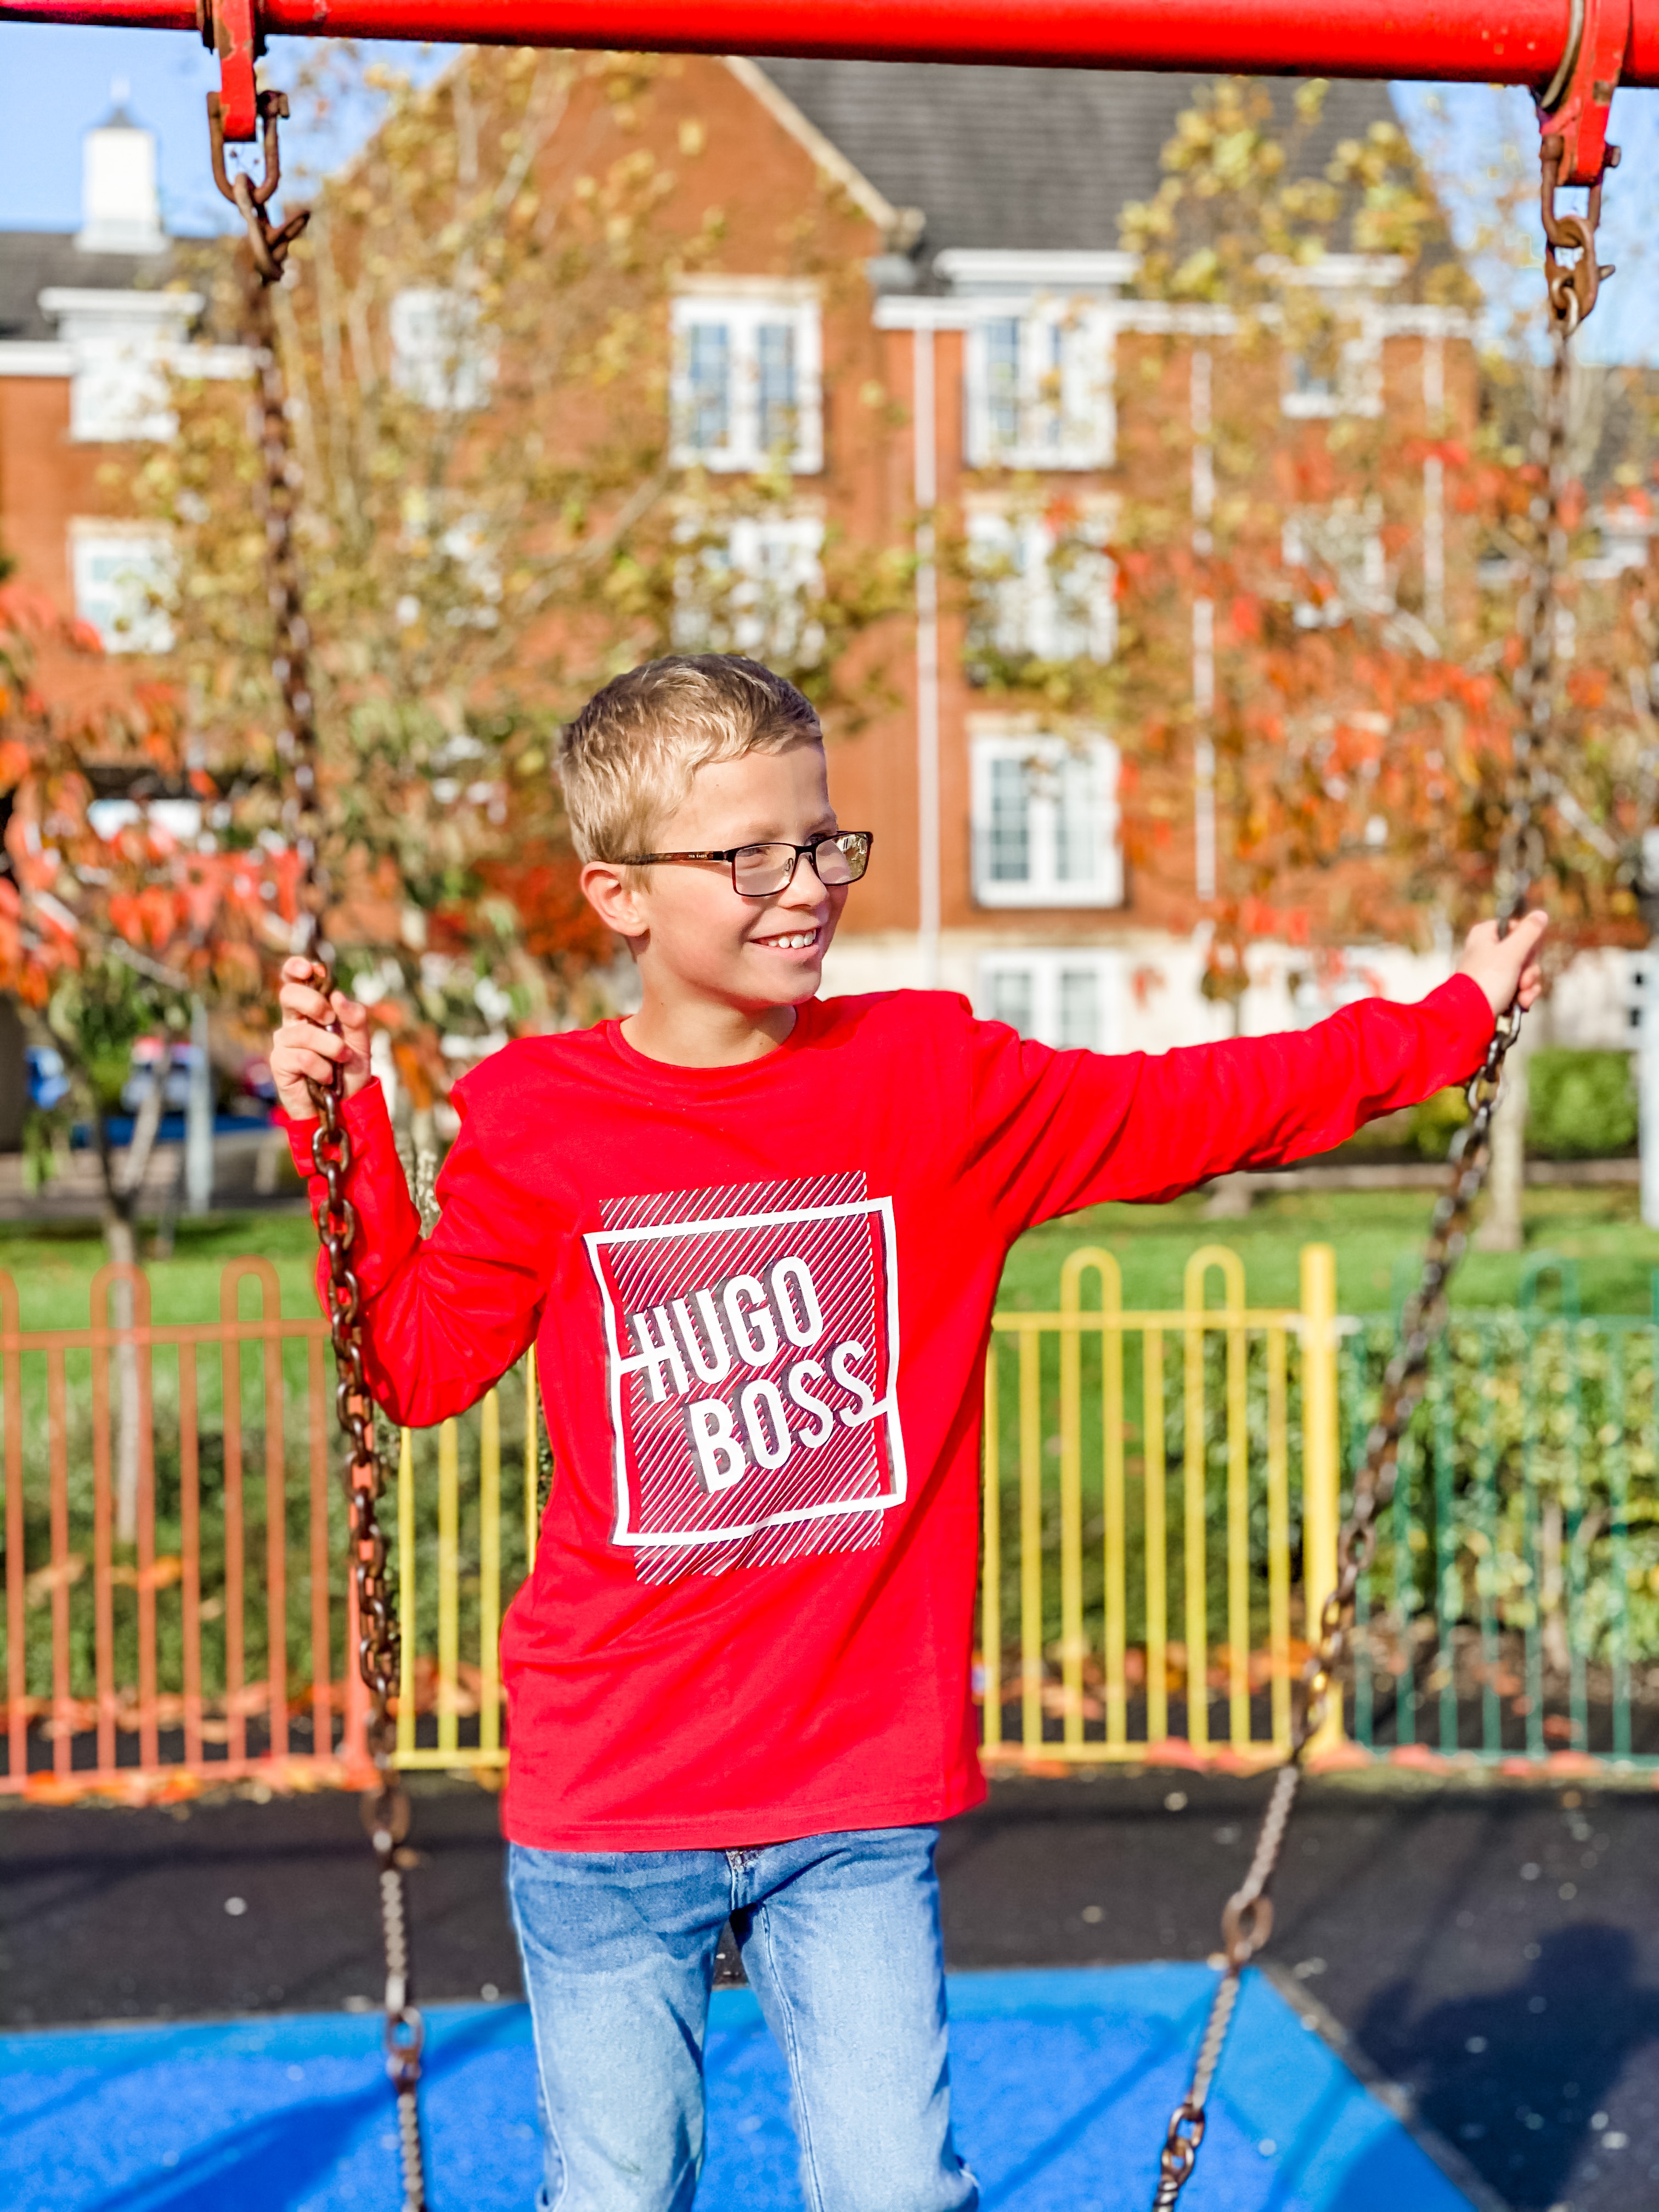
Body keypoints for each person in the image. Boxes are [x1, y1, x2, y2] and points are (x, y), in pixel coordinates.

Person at [271, 653, 1547, 2212]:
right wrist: (343, 1138)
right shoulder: (542, 1120)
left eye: (822, 844)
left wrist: (1449, 1020)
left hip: (849, 1787)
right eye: (747, 857)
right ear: (617, 893)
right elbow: (411, 1366)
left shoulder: (928, 1085)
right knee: (617, 2194)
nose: (804, 888)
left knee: (898, 2193)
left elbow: (1209, 1102)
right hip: (611, 1783)